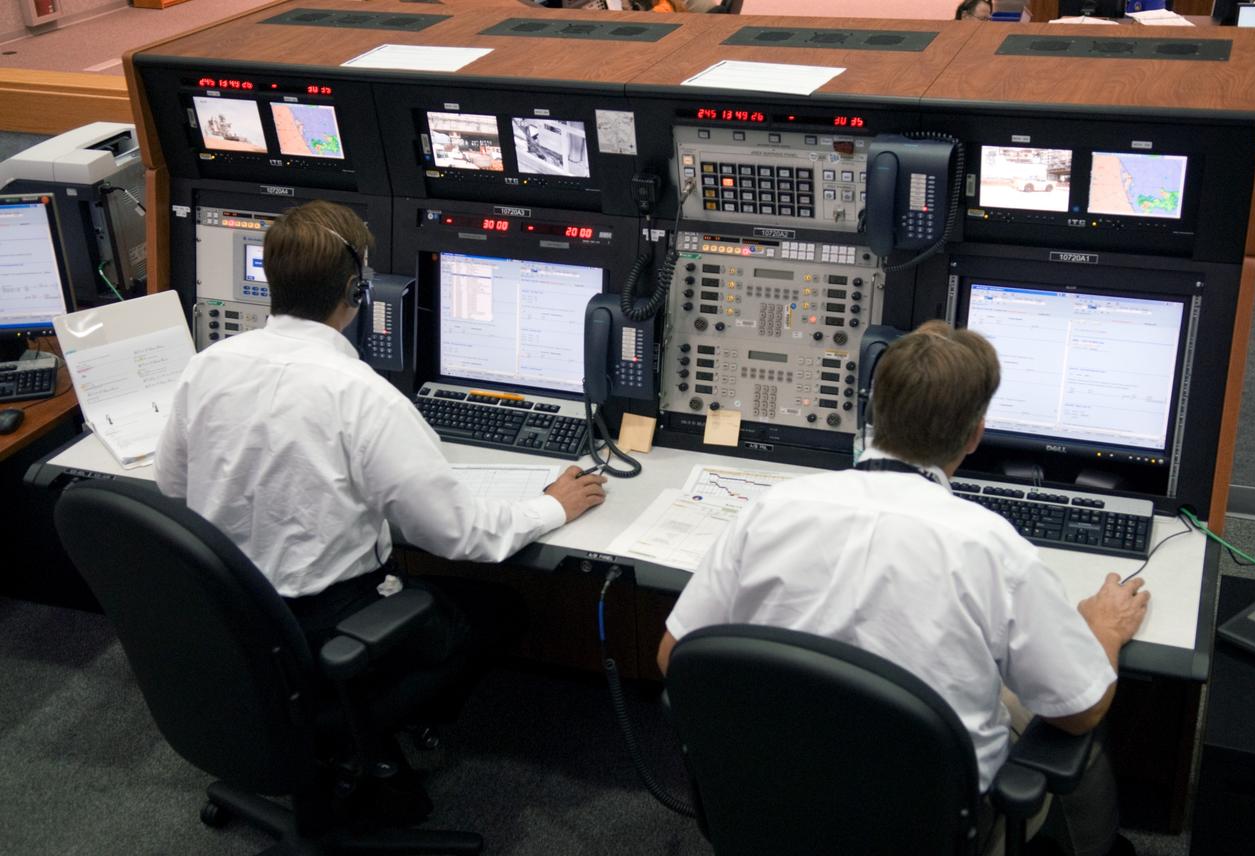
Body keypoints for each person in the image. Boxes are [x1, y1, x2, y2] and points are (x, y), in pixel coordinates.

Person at [657, 321, 1148, 856]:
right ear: (974, 434)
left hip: (774, 796)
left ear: (875, 414)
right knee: (1079, 723)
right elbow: (1079, 708)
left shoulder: (771, 509)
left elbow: (674, 656)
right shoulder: (990, 547)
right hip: (927, 827)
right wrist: (1101, 633)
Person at [155, 199, 607, 666]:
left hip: (233, 619)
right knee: (502, 608)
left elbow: (171, 486)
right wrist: (552, 505)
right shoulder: (364, 397)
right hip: (331, 629)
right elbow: (459, 534)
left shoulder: (205, 367)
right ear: (356, 292)